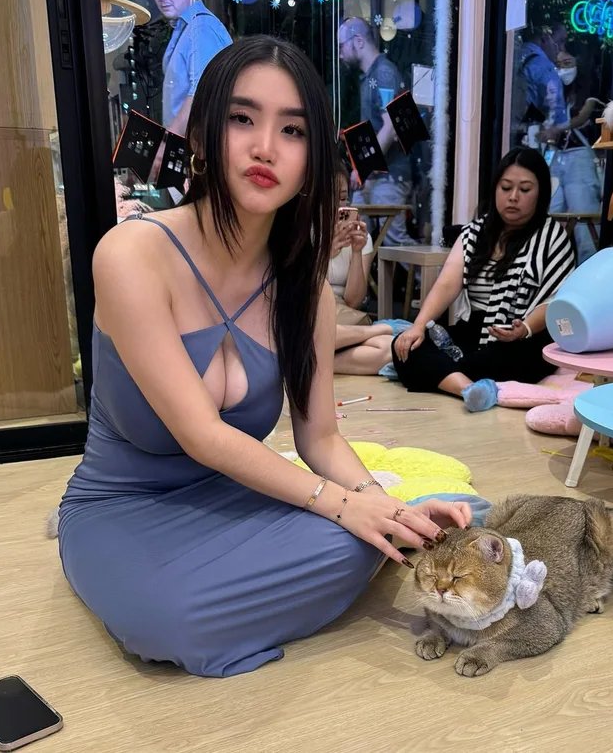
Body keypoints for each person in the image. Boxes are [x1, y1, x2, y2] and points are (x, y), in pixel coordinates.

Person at [57, 35, 472, 678]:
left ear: (311, 158)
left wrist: (380, 506)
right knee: (169, 616)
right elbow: (200, 435)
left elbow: (320, 438)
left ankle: (382, 532)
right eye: (242, 119)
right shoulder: (131, 255)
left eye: (293, 130)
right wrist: (342, 506)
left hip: (238, 493)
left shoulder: (305, 290)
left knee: (367, 538)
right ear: (202, 137)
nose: (266, 148)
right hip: (121, 508)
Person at [393, 147, 575, 412]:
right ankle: (470, 389)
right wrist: (418, 326)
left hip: (524, 337)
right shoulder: (474, 232)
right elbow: (446, 284)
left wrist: (523, 328)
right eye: (506, 188)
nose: (513, 197)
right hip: (476, 329)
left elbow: (555, 300)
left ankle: (449, 376)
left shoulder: (552, 236)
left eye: (525, 190)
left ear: (541, 194)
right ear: (495, 189)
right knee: (405, 346)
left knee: (500, 358)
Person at [150, 0, 233, 201]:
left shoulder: (201, 28)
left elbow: (200, 93)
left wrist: (167, 143)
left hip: (199, 156)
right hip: (187, 153)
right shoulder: (187, 27)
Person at [337, 17, 414, 247]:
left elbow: (390, 127)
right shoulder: (371, 76)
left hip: (389, 175)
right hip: (375, 176)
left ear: (358, 41)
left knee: (393, 240)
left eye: (341, 46)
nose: (340, 54)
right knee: (356, 236)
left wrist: (363, 166)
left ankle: (431, 269)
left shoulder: (384, 74)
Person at [330, 164, 394, 374]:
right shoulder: (301, 231)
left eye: (342, 198)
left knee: (388, 348)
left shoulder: (358, 236)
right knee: (315, 331)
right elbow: (299, 292)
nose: (338, 206)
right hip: (310, 313)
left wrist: (357, 251)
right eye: (329, 197)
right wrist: (325, 254)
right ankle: (377, 329)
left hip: (343, 318)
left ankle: (314, 363)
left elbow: (354, 301)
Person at [547, 48, 603, 263]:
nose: (562, 69)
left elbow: (582, 117)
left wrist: (557, 128)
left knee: (584, 224)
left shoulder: (590, 90)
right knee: (551, 217)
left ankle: (588, 273)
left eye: (567, 63)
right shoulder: (559, 92)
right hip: (559, 156)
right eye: (558, 64)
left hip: (580, 157)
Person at [518, 26, 568, 135]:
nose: (562, 49)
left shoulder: (516, 51)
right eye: (560, 41)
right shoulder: (547, 69)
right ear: (545, 38)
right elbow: (559, 120)